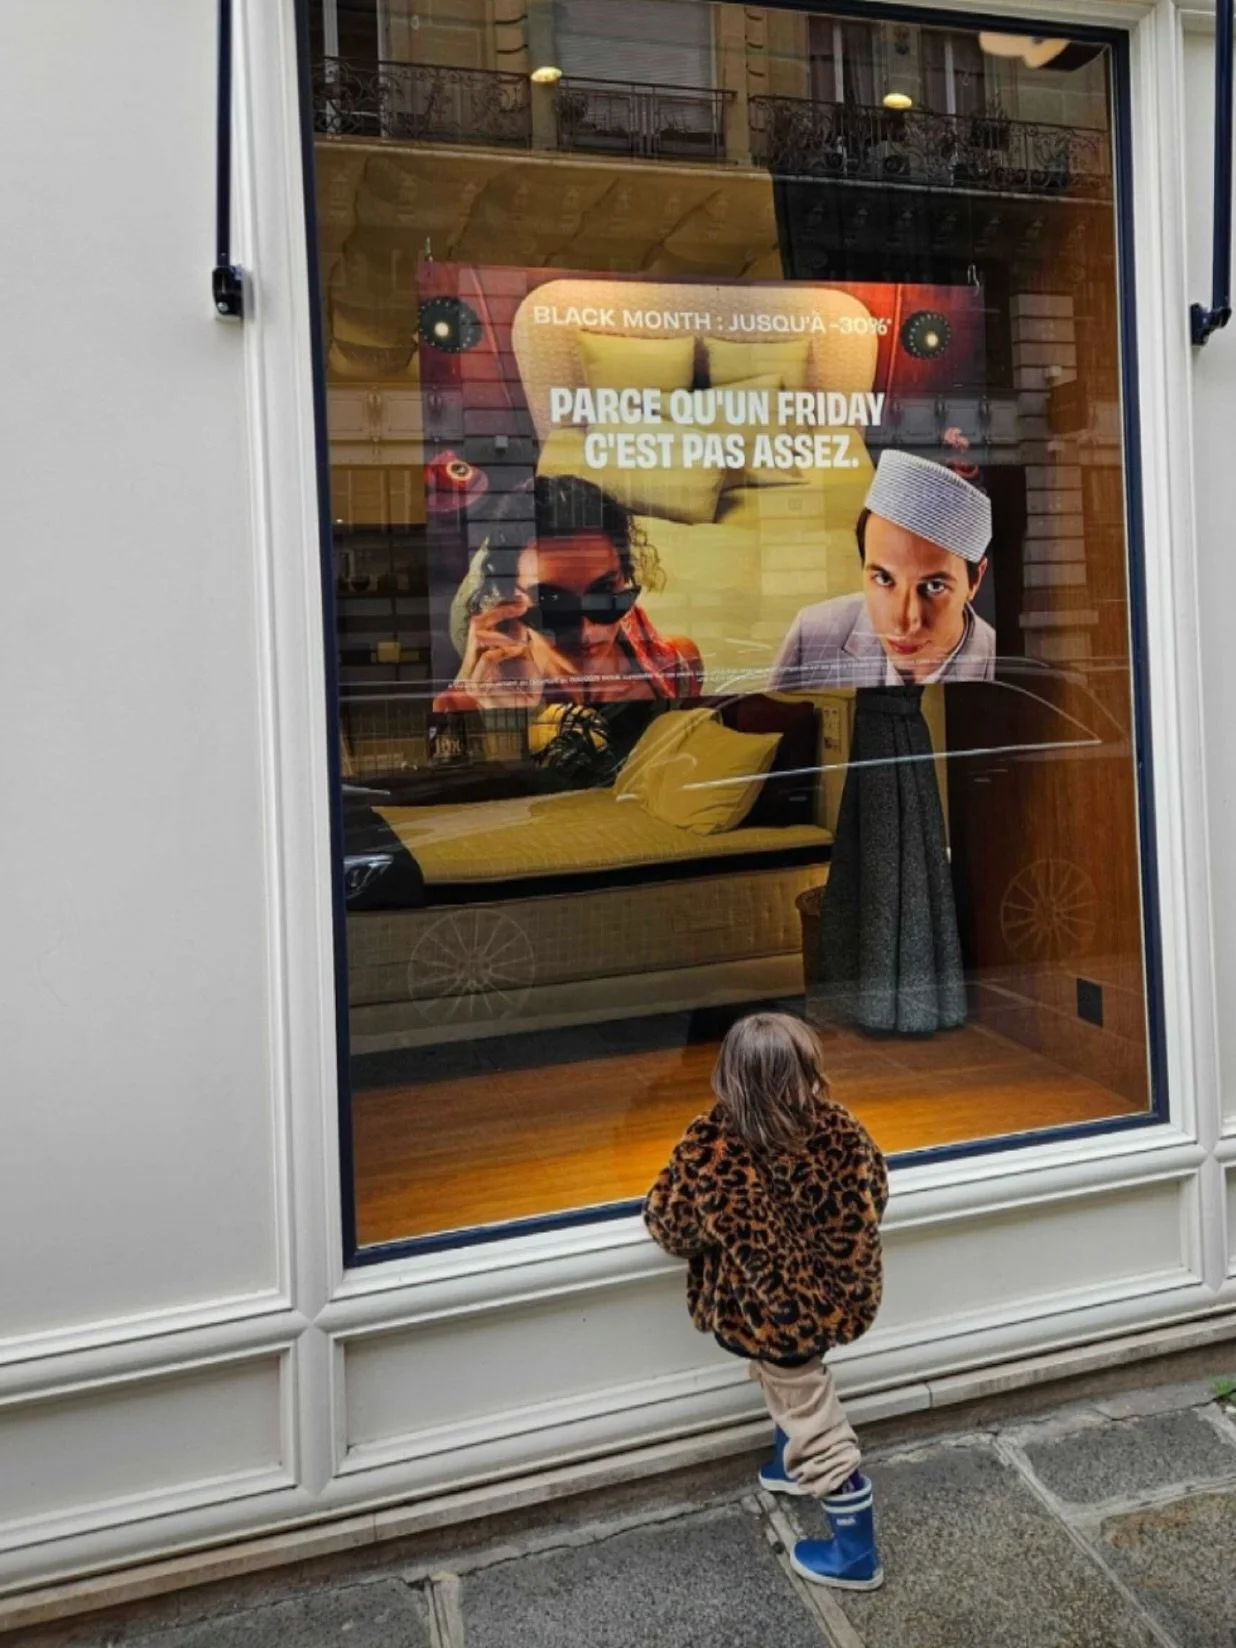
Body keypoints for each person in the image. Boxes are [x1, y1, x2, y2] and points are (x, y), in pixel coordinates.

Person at [644, 1012, 889, 1591]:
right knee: (789, 1384)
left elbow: (670, 1225)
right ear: (808, 1071)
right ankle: (784, 1468)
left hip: (767, 1316)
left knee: (813, 1419)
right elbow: (876, 1188)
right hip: (836, 1303)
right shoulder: (839, 1128)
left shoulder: (711, 1146)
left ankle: (856, 1554)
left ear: (728, 1077)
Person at [434, 474, 703, 712]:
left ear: (625, 578)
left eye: (605, 594)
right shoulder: (464, 706)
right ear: (510, 601)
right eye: (553, 604)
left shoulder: (679, 668)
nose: (586, 632)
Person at [770, 449, 995, 690]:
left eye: (933, 587)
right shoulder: (812, 635)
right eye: (884, 579)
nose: (902, 623)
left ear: (975, 579)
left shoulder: (999, 662)